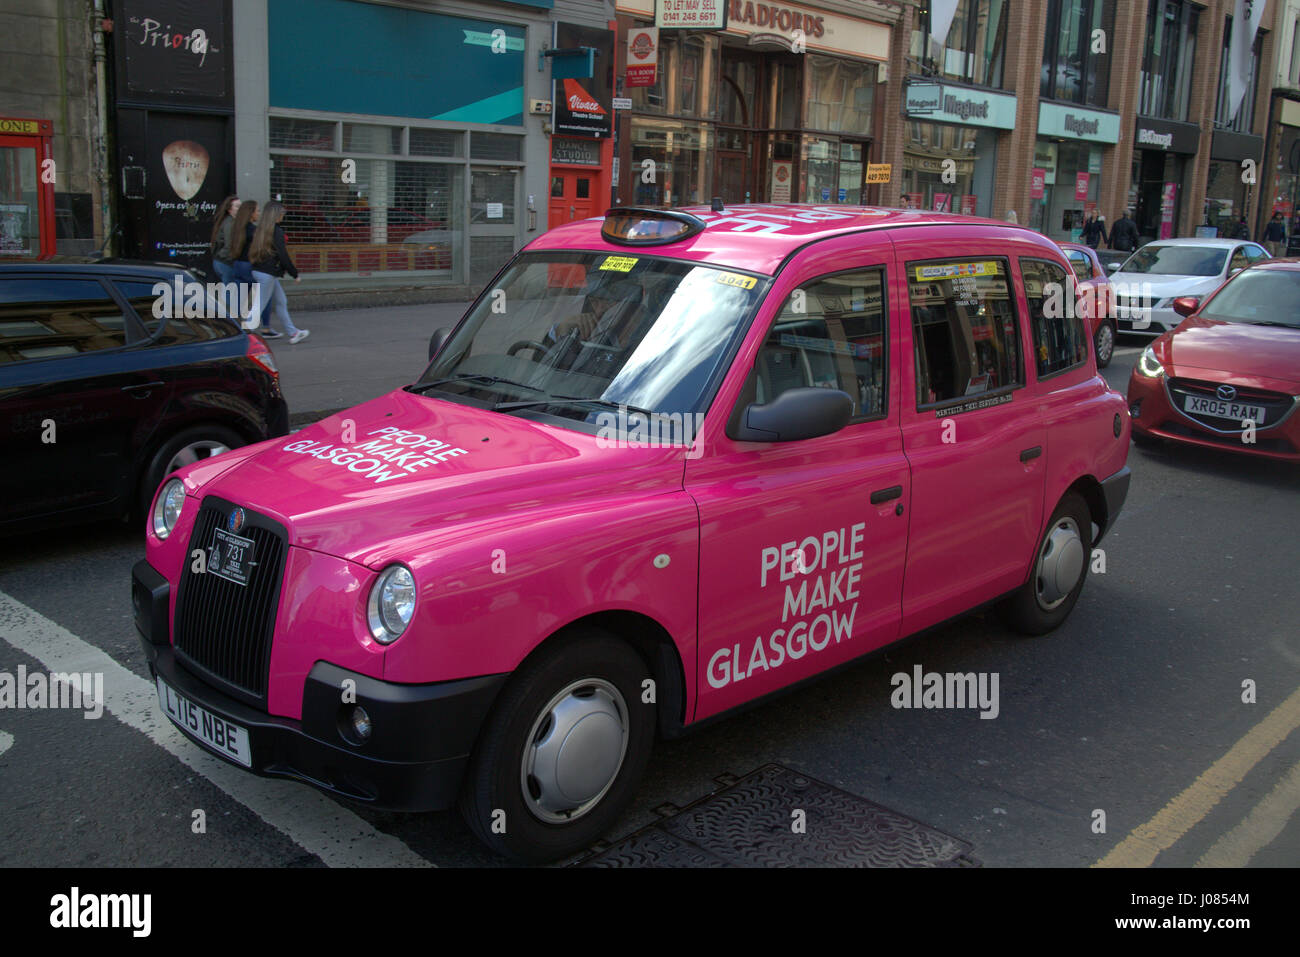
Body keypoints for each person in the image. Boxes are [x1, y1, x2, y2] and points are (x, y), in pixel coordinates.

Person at [248, 201, 309, 344]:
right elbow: (283, 255)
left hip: (260, 271)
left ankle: (293, 332)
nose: (283, 216)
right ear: (275, 215)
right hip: (268, 273)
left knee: (281, 301)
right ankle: (244, 334)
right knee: (260, 305)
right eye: (282, 214)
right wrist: (294, 273)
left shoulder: (260, 230)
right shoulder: (277, 232)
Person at [227, 199, 271, 334]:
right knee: (265, 295)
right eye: (257, 211)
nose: (258, 213)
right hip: (250, 265)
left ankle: (233, 325)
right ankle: (266, 326)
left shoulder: (237, 228)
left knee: (240, 298)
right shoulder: (254, 230)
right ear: (251, 213)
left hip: (237, 264)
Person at [209, 196, 240, 284]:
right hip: (225, 263)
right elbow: (229, 245)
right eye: (237, 206)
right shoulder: (230, 223)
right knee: (230, 292)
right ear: (229, 209)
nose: (240, 209)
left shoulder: (228, 221)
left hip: (221, 261)